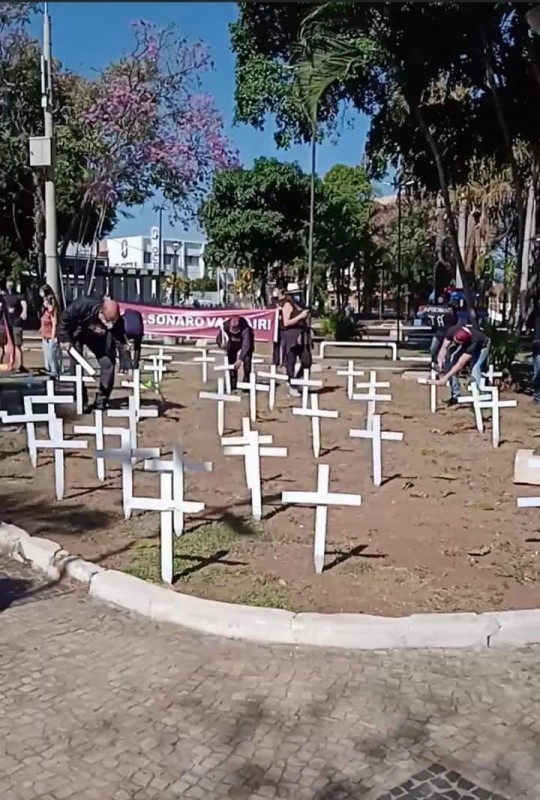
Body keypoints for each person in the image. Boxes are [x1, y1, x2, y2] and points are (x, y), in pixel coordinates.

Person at [58, 295, 131, 411]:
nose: (110, 325)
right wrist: (64, 338)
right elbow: (65, 318)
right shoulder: (83, 304)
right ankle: (81, 400)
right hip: (78, 334)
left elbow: (121, 341)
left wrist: (125, 361)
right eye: (108, 321)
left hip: (99, 340)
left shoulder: (117, 321)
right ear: (101, 312)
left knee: (108, 364)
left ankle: (102, 400)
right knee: (76, 368)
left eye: (113, 322)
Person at [431, 323, 490, 404]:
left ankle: (482, 398)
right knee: (451, 362)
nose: (455, 344)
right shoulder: (452, 330)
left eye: (458, 343)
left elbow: (460, 364)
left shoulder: (474, 341)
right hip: (466, 343)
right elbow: (444, 347)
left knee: (475, 369)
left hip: (482, 345)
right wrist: (440, 362)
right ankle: (455, 396)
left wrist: (445, 378)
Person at [275, 281, 312, 397]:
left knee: (307, 361)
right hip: (291, 336)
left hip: (302, 335)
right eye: (295, 293)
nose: (297, 295)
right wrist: (300, 317)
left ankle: (298, 380)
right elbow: (286, 322)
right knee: (290, 362)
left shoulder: (300, 303)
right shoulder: (288, 304)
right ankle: (292, 385)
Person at [216, 314, 254, 391]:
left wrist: (240, 359)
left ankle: (246, 384)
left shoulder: (245, 328)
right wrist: (221, 345)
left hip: (245, 341)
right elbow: (219, 339)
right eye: (233, 328)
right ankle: (232, 384)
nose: (234, 330)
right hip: (232, 344)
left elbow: (246, 346)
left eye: (236, 328)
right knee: (231, 363)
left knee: (247, 361)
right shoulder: (225, 326)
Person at [0, 276, 27, 372]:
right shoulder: (3, 296)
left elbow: (24, 307)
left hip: (16, 323)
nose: (9, 284)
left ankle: (20, 364)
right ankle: (7, 363)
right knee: (4, 345)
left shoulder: (19, 296)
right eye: (8, 282)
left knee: (17, 344)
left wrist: (23, 313)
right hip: (5, 324)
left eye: (11, 282)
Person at [424, 296, 458, 366]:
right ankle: (434, 362)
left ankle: (446, 364)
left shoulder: (451, 308)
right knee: (433, 348)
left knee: (447, 350)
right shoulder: (434, 307)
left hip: (448, 333)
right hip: (438, 332)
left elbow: (455, 318)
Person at [38, 284, 61, 378]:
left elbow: (54, 322)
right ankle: (50, 371)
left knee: (52, 355)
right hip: (44, 335)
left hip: (51, 335)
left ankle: (55, 372)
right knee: (47, 356)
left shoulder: (52, 307)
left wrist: (53, 336)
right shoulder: (44, 308)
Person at [526, 300, 540, 404]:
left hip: (536, 341)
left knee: (538, 369)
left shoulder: (535, 312)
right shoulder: (536, 312)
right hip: (537, 342)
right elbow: (528, 324)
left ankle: (537, 395)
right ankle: (537, 396)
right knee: (538, 370)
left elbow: (528, 325)